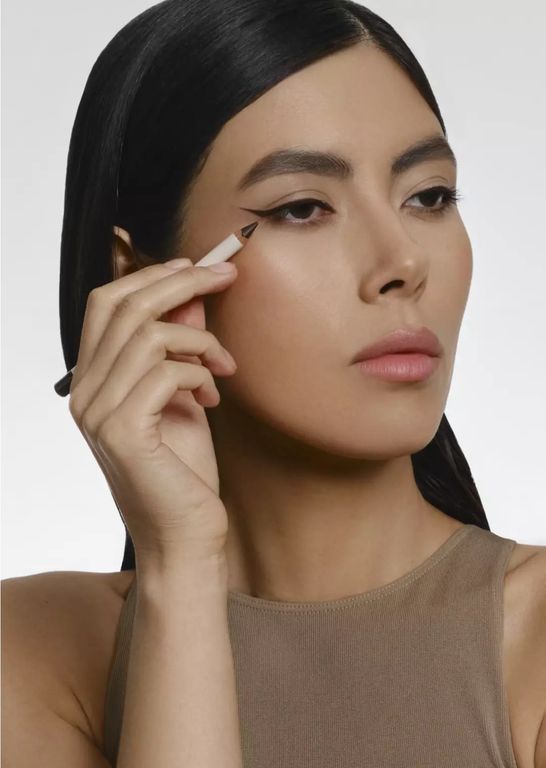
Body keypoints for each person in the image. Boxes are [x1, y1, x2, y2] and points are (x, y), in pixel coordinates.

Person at [2, 1, 545, 766]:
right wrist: (181, 566)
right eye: (302, 207)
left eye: (429, 196)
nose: (402, 262)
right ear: (142, 276)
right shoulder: (31, 652)